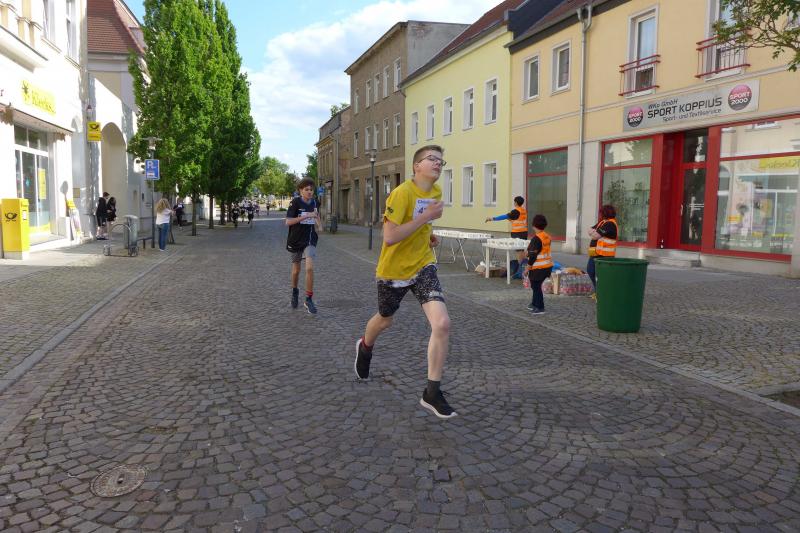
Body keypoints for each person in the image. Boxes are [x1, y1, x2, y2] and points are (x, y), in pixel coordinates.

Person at [354, 144, 456, 420]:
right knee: (385, 319)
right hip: (394, 270)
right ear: (416, 166)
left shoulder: (435, 192)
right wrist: (426, 218)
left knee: (442, 323)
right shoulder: (401, 194)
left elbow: (420, 225)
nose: (438, 163)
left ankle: (432, 392)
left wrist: (427, 234)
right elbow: (389, 237)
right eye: (432, 159)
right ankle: (365, 346)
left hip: (423, 264)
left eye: (441, 160)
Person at [285, 179, 321, 314]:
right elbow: (288, 222)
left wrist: (319, 224)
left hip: (310, 239)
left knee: (310, 268)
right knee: (296, 270)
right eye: (306, 189)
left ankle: (308, 299)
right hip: (295, 239)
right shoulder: (295, 203)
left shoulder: (315, 202)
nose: (309, 192)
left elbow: (316, 215)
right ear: (300, 191)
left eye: (311, 189)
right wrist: (305, 217)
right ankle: (295, 291)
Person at [485, 196, 527, 278]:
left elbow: (504, 216)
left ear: (516, 202)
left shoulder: (515, 211)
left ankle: (520, 271)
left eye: (514, 201)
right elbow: (517, 220)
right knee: (522, 251)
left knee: (519, 252)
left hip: (517, 233)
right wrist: (510, 219)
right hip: (524, 232)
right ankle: (523, 269)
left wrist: (492, 218)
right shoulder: (523, 211)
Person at [587, 204, 618, 298]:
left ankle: (601, 293)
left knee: (600, 275)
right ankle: (598, 292)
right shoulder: (603, 222)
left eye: (601, 213)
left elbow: (595, 236)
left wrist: (594, 233)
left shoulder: (610, 224)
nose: (600, 214)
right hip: (596, 253)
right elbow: (589, 230)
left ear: (605, 213)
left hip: (604, 255)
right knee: (591, 271)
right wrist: (594, 232)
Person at [526, 214, 553, 315]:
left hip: (538, 267)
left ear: (534, 225)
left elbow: (533, 256)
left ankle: (540, 307)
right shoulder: (547, 236)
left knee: (536, 286)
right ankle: (534, 303)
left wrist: (527, 268)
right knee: (536, 285)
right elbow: (541, 250)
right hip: (547, 266)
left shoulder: (536, 239)